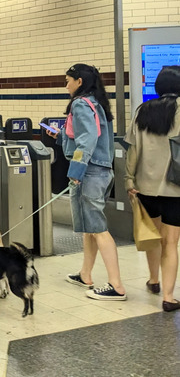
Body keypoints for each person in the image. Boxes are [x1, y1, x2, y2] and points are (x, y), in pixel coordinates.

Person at [45, 64, 126, 301]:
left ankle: (117, 285)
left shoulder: (81, 104)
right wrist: (59, 136)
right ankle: (85, 274)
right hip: (100, 170)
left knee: (98, 229)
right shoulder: (97, 103)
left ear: (79, 81)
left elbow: (87, 141)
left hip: (89, 173)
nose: (66, 84)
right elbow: (87, 137)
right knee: (89, 229)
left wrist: (76, 170)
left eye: (68, 80)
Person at [125, 65, 180, 311]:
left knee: (153, 237)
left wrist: (129, 179)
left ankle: (154, 280)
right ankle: (169, 297)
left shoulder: (142, 111)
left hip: (145, 186)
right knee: (171, 242)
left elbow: (133, 149)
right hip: (175, 188)